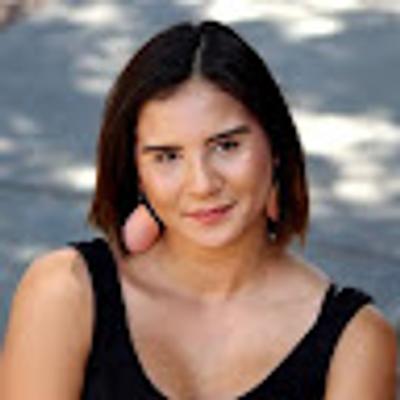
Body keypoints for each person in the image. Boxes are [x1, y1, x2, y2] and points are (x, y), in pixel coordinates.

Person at [0, 21, 397, 400]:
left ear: (275, 146)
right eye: (167, 156)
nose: (202, 184)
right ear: (136, 171)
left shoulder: (355, 342)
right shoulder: (64, 292)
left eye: (226, 146)